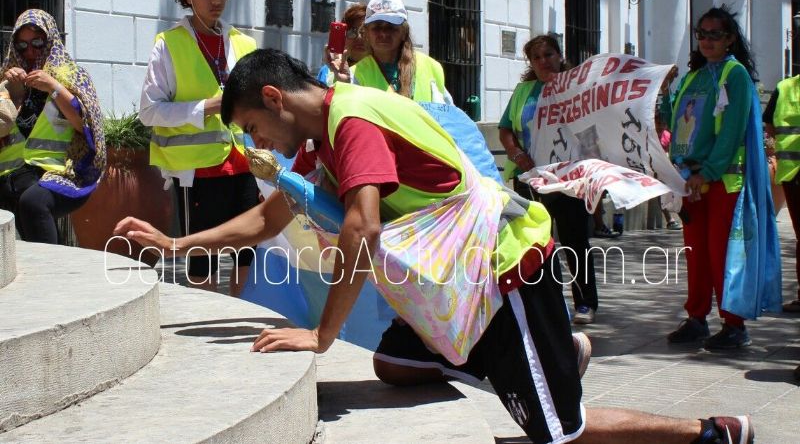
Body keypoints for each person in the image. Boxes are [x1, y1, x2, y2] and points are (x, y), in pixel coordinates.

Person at [116, 48, 755, 444]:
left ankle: (707, 432)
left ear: (276, 98)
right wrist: (175, 242)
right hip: (460, 289)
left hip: (506, 277)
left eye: (255, 126)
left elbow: (361, 229)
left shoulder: (352, 122)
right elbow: (265, 220)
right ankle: (551, 353)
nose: (263, 143)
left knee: (562, 432)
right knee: (394, 365)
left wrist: (321, 337)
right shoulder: (322, 139)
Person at [139, 0, 260, 296]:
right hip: (199, 173)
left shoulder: (245, 44)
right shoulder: (168, 44)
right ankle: (205, 323)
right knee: (202, 258)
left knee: (248, 252)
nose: (216, 0)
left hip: (246, 165)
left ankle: (239, 322)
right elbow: (149, 111)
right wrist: (206, 107)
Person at [663, 6, 759, 349]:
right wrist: (662, 92)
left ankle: (734, 325)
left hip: (720, 182)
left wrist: (708, 172)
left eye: (714, 34)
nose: (706, 40)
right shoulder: (694, 76)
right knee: (696, 253)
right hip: (689, 180)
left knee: (722, 254)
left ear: (730, 39)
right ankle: (697, 318)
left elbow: (732, 131)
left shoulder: (735, 75)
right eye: (701, 34)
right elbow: (672, 123)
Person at [497, 35, 600, 325]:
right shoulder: (523, 92)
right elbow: (506, 129)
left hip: (567, 178)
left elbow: (589, 130)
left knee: (574, 240)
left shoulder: (576, 90)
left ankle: (585, 303)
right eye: (537, 57)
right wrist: (516, 154)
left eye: (549, 54)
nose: (544, 61)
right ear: (531, 63)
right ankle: (546, 303)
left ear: (559, 56)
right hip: (529, 176)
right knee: (534, 241)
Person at [0, 9, 104, 244]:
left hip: (57, 173)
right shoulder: (6, 78)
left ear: (50, 41)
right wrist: (9, 94)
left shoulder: (72, 75)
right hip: (10, 175)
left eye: (37, 42)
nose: (30, 51)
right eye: (22, 45)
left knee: (33, 203)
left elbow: (85, 125)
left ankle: (52, 272)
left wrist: (54, 88)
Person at [330, 0, 452, 104]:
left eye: (391, 27)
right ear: (366, 33)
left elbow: (449, 117)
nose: (383, 33)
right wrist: (343, 85)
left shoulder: (430, 67)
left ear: (404, 32)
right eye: (377, 27)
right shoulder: (353, 74)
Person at [763, 75, 800, 314]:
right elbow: (769, 126)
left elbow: (770, 128)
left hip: (793, 174)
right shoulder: (784, 88)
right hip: (793, 175)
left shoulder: (784, 87)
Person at [317, 3, 368, 86]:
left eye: (364, 32)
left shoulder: (382, 72)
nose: (359, 37)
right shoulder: (327, 71)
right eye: (351, 31)